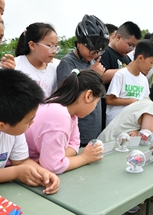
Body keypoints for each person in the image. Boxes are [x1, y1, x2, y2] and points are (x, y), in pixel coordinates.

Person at [25, 69, 105, 174]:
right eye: (96, 102)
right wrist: (84, 158)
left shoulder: (70, 111)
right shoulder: (59, 114)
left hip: (31, 165)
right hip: (18, 167)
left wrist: (55, 157)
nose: (95, 108)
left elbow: (75, 143)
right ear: (88, 95)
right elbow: (53, 166)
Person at [56, 14, 109, 147]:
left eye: (99, 51)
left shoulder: (93, 62)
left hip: (94, 129)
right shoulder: (67, 63)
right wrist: (94, 73)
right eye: (92, 50)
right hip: (77, 133)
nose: (95, 54)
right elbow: (67, 96)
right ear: (79, 43)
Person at [98, 77, 153, 142]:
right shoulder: (150, 106)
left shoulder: (146, 101)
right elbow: (148, 135)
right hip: (107, 144)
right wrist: (143, 133)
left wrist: (139, 132)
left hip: (111, 142)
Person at [105, 39, 153, 125]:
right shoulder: (121, 74)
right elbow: (109, 100)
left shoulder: (144, 80)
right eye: (151, 62)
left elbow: (145, 102)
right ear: (140, 58)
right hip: (116, 125)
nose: (151, 66)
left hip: (132, 125)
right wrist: (131, 101)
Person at [100, 21, 142, 129]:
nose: (131, 49)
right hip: (105, 109)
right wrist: (126, 69)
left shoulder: (127, 59)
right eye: (129, 44)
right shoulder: (105, 53)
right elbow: (101, 76)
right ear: (118, 37)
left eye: (134, 46)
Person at [15, 22, 59, 97]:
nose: (54, 51)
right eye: (50, 46)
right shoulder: (15, 65)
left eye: (56, 46)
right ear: (32, 45)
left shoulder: (54, 69)